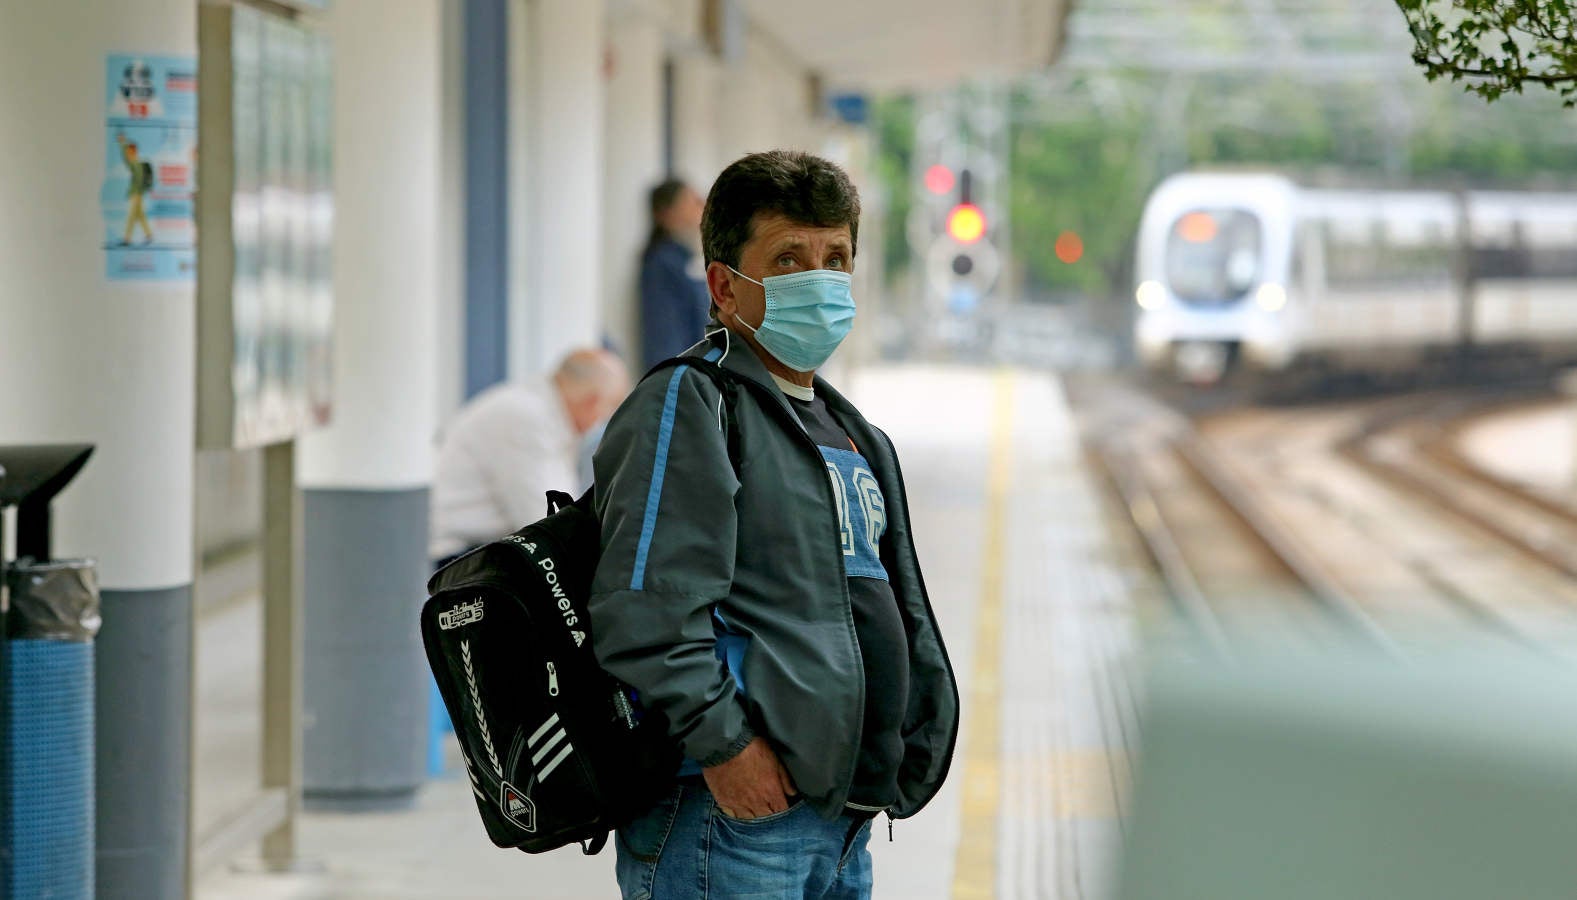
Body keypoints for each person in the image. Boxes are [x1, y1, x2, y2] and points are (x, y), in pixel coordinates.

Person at [590, 151, 959, 900]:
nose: (819, 280)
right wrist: (727, 749)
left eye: (835, 259)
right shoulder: (693, 402)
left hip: (837, 817)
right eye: (789, 259)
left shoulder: (850, 430)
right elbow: (644, 610)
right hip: (730, 819)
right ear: (724, 286)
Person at [429, 348, 629, 565]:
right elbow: (548, 524)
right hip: (462, 558)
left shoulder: (542, 413)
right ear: (592, 402)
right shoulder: (526, 419)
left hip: (481, 552)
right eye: (608, 411)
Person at [638, 178, 710, 370]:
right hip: (681, 372)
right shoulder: (663, 263)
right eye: (691, 202)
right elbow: (665, 333)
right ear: (668, 213)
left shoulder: (686, 258)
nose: (700, 208)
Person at [116, 133, 154, 246]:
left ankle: (127, 239)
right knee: (140, 215)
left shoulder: (135, 163)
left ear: (133, 151)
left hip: (136, 194)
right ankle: (149, 235)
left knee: (132, 216)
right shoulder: (136, 162)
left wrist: (122, 142)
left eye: (129, 151)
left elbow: (138, 178)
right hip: (138, 193)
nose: (127, 153)